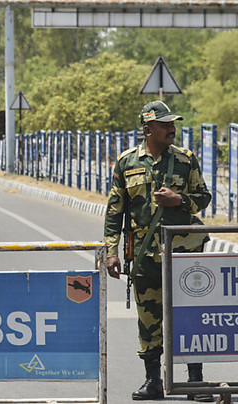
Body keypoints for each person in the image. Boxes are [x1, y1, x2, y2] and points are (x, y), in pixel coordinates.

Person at [104, 101, 213, 402]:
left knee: (189, 316)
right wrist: (111, 252)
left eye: (172, 124)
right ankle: (153, 381)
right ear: (148, 129)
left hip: (183, 253)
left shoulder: (185, 159)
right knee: (148, 319)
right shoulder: (126, 162)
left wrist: (179, 200)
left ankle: (194, 381)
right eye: (165, 125)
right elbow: (114, 211)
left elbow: (204, 197)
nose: (172, 129)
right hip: (144, 255)